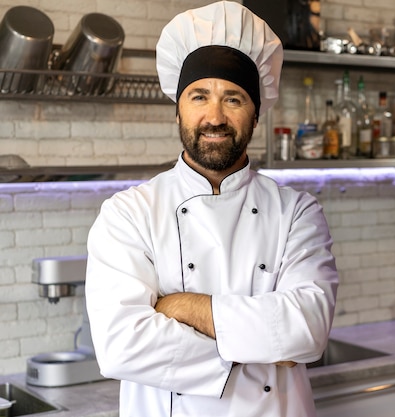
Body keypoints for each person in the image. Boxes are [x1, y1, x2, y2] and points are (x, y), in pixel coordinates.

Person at [84, 2, 338, 416]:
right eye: (199, 96)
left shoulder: (297, 213)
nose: (214, 116)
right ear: (178, 107)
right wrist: (268, 345)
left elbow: (307, 331)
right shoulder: (128, 213)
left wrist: (182, 306)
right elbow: (120, 348)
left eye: (233, 98)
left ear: (256, 113)